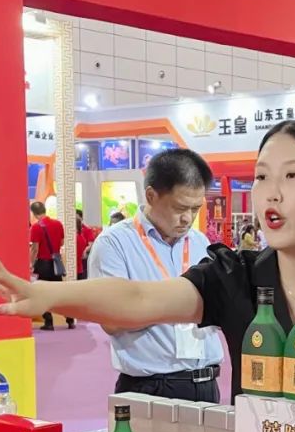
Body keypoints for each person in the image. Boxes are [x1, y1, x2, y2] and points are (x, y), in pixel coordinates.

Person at [0, 119, 295, 406]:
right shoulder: (235, 276)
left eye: (293, 175)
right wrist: (43, 293)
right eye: (261, 177)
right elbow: (138, 297)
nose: (271, 193)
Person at [86, 149, 225, 403]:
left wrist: (144, 306)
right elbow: (112, 319)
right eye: (180, 208)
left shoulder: (200, 242)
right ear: (151, 195)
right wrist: (183, 306)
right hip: (151, 387)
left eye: (195, 209)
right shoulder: (114, 244)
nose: (187, 218)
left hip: (207, 384)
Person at [29, 201, 73, 330]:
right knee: (60, 293)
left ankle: (48, 321)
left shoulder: (36, 227)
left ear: (34, 213)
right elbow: (61, 242)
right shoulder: (58, 224)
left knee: (41, 293)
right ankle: (70, 318)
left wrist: (31, 263)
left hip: (43, 264)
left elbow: (35, 249)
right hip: (56, 263)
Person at [75, 209, 95, 281]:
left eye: (76, 217)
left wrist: (85, 250)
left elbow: (91, 244)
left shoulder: (87, 229)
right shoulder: (74, 233)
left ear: (81, 218)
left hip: (83, 258)